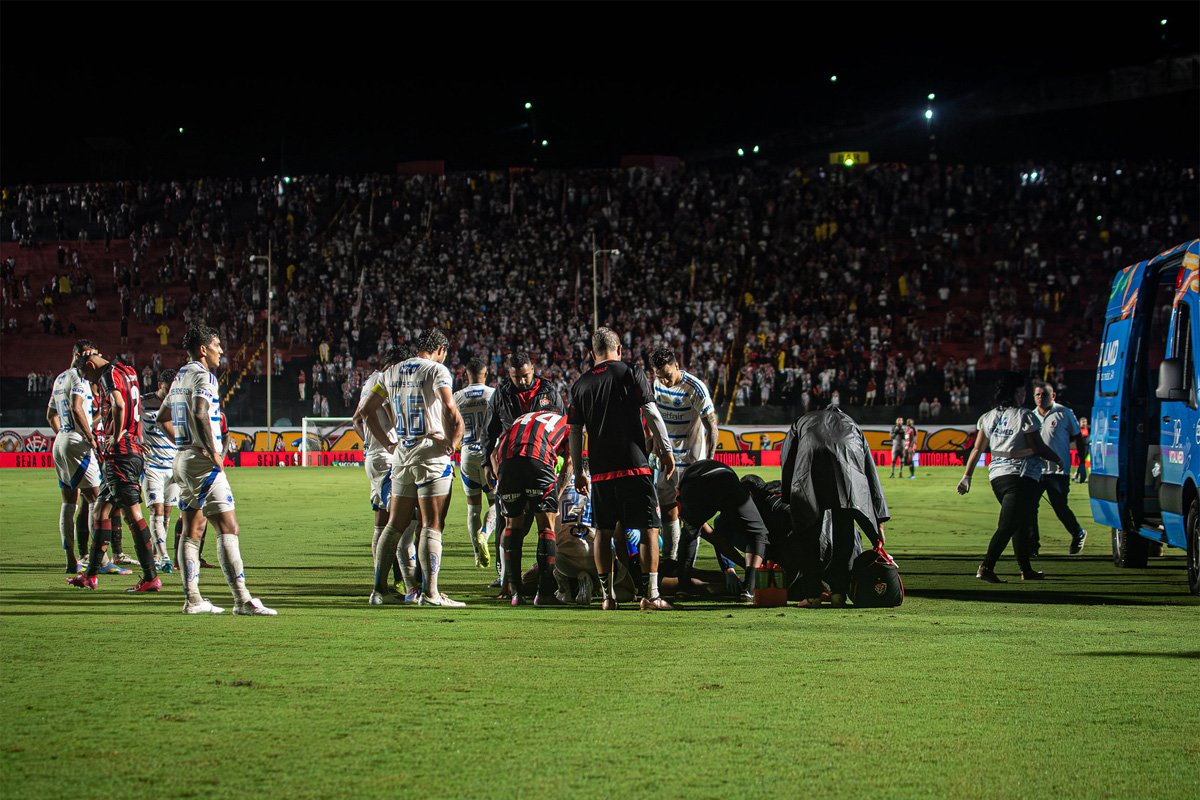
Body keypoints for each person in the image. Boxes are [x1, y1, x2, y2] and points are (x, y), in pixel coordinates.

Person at [161, 323, 277, 615]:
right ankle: (242, 600)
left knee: (192, 530)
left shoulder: (179, 377)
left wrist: (183, 442)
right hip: (202, 462)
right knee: (229, 527)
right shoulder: (204, 376)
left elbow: (162, 415)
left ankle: (194, 599)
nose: (221, 351)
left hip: (182, 460)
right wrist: (213, 452)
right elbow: (200, 411)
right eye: (217, 345)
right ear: (203, 349)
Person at [567, 327, 675, 611]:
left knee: (603, 531)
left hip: (601, 471)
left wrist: (579, 471)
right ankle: (651, 596)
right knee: (649, 528)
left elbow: (575, 433)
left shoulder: (579, 385)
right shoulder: (631, 372)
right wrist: (666, 450)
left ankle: (607, 598)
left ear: (593, 354)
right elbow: (651, 412)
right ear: (619, 349)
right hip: (634, 466)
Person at [359, 328, 465, 607]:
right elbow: (450, 408)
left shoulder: (390, 372)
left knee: (393, 525)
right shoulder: (436, 371)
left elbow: (366, 412)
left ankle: (378, 590)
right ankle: (430, 594)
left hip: (402, 456)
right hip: (430, 455)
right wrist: (452, 443)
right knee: (432, 525)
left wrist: (389, 444)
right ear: (440, 349)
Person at [67, 347, 160, 593]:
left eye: (87, 377)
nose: (90, 382)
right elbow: (134, 406)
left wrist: (117, 436)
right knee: (100, 512)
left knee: (133, 516)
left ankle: (151, 577)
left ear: (89, 366)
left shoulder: (108, 374)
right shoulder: (128, 371)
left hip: (121, 455)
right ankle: (91, 576)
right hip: (129, 452)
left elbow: (119, 405)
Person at [957, 372, 1062, 583]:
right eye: (1023, 390)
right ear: (1016, 392)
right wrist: (1057, 459)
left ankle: (1026, 570)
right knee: (1008, 525)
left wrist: (966, 476)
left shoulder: (988, 417)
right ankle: (986, 566)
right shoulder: (1025, 416)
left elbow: (977, 449)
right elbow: (1037, 447)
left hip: (997, 477)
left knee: (1019, 522)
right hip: (1021, 476)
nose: (1025, 394)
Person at [780, 407, 890, 607]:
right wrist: (879, 520)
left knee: (809, 533)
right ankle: (838, 593)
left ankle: (813, 595)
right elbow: (870, 471)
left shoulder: (801, 421)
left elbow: (787, 458)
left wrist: (789, 495)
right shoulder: (852, 424)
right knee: (844, 533)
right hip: (847, 472)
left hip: (810, 467)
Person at [481, 351, 561, 587]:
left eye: (525, 375)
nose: (522, 381)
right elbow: (490, 430)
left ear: (533, 369)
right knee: (510, 522)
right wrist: (487, 462)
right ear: (509, 375)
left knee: (542, 521)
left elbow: (560, 425)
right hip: (510, 462)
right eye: (517, 377)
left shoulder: (549, 392)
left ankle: (546, 578)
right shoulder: (501, 395)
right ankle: (504, 577)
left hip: (540, 463)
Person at [649, 346, 718, 580]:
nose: (664, 381)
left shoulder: (695, 387)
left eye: (667, 375)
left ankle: (687, 565)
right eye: (660, 376)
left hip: (690, 463)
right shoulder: (656, 383)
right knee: (667, 509)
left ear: (677, 366)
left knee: (690, 515)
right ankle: (671, 559)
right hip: (666, 461)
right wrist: (654, 445)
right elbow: (653, 416)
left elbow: (712, 424)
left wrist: (709, 459)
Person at [496, 408, 570, 605]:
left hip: (506, 461)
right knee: (546, 525)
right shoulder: (567, 423)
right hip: (538, 460)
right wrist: (557, 494)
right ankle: (544, 593)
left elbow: (497, 449)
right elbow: (570, 463)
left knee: (512, 525)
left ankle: (516, 594)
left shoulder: (522, 418)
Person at [352, 346, 410, 593]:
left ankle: (387, 580)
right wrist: (388, 443)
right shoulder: (385, 380)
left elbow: (357, 419)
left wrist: (370, 444)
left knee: (382, 521)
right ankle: (395, 582)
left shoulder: (370, 381)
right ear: (396, 364)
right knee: (401, 520)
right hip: (386, 459)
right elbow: (394, 417)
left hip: (376, 458)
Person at [675, 459, 770, 601]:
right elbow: (717, 536)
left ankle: (683, 588)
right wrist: (746, 567)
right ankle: (749, 588)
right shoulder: (732, 491)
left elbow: (708, 533)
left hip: (691, 485)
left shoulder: (686, 491)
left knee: (689, 535)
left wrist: (730, 568)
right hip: (723, 479)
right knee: (758, 533)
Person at [47, 340, 101, 573]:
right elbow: (77, 407)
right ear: (81, 355)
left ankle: (71, 559)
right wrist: (89, 436)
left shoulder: (60, 378)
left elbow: (50, 415)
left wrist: (65, 434)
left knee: (69, 502)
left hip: (61, 442)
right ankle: (100, 560)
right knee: (97, 500)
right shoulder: (80, 377)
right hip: (76, 443)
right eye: (91, 355)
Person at [1029, 382, 1088, 555]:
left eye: (1044, 395)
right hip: (1035, 470)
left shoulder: (1064, 413)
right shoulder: (1030, 416)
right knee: (1030, 508)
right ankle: (1033, 546)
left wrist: (1082, 466)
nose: (1041, 398)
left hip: (1058, 471)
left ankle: (1078, 532)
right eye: (1038, 395)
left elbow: (1078, 438)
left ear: (1053, 396)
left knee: (1060, 507)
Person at [453, 357, 497, 568]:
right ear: (486, 373)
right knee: (496, 502)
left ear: (465, 375)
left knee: (473, 508)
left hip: (468, 453)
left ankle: (476, 554)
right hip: (489, 456)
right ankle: (485, 535)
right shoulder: (493, 394)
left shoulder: (457, 397)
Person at [141, 368, 179, 572]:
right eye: (168, 389)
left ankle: (158, 553)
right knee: (156, 510)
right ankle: (163, 557)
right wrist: (134, 441)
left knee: (166, 512)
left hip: (173, 467)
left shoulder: (178, 403)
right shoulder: (143, 402)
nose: (171, 393)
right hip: (152, 465)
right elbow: (128, 422)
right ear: (159, 386)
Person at [1074, 416, 1090, 483]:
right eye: (1083, 422)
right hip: (1081, 447)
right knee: (1082, 462)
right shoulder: (1078, 429)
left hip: (1087, 447)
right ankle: (1079, 476)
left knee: (1083, 462)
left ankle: (1076, 475)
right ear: (1080, 423)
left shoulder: (1088, 429)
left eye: (1085, 422)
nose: (1084, 423)